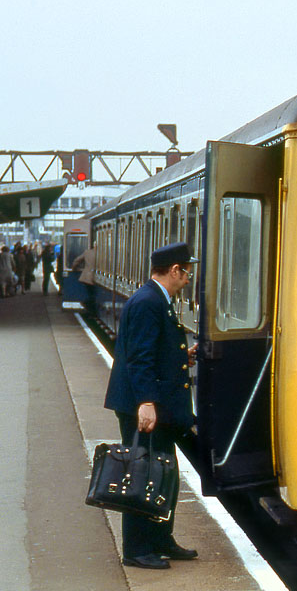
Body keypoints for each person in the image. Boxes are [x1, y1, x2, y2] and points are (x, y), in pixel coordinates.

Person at [103, 242, 200, 570]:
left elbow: (152, 350)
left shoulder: (155, 298)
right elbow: (139, 358)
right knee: (143, 472)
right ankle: (136, 549)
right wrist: (146, 403)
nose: (188, 278)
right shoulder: (148, 302)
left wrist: (179, 356)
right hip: (142, 406)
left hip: (153, 402)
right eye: (187, 272)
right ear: (174, 270)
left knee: (163, 472)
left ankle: (161, 539)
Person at [70, 244, 97, 316]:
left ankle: (89, 309)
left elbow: (77, 260)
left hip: (87, 277)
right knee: (93, 294)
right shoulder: (103, 254)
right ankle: (92, 310)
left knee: (89, 293)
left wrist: (74, 267)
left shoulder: (87, 252)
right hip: (97, 277)